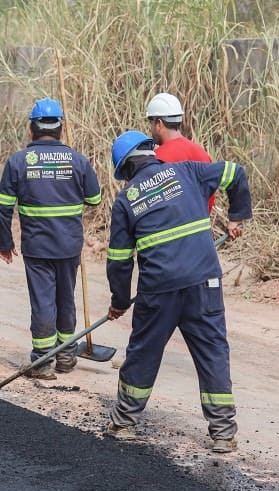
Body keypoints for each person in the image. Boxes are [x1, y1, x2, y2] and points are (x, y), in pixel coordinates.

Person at [103, 130, 252, 453]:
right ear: (151, 153)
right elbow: (235, 173)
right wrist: (238, 215)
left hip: (159, 290)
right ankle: (223, 433)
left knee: (144, 351)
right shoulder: (187, 170)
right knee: (212, 351)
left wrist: (119, 301)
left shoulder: (127, 199)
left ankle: (124, 421)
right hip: (204, 282)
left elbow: (119, 261)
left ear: (126, 169)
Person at [0, 98, 102, 381]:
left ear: (32, 129)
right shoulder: (78, 160)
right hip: (69, 245)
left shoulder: (18, 161)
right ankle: (66, 357)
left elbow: (3, 206)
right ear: (61, 129)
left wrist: (4, 242)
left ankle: (42, 362)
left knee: (44, 301)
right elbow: (95, 199)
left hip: (37, 245)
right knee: (65, 299)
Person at [146, 92, 215, 212]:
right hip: (201, 226)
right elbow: (210, 197)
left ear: (159, 124)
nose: (151, 128)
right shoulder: (201, 153)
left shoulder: (156, 159)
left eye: (151, 123)